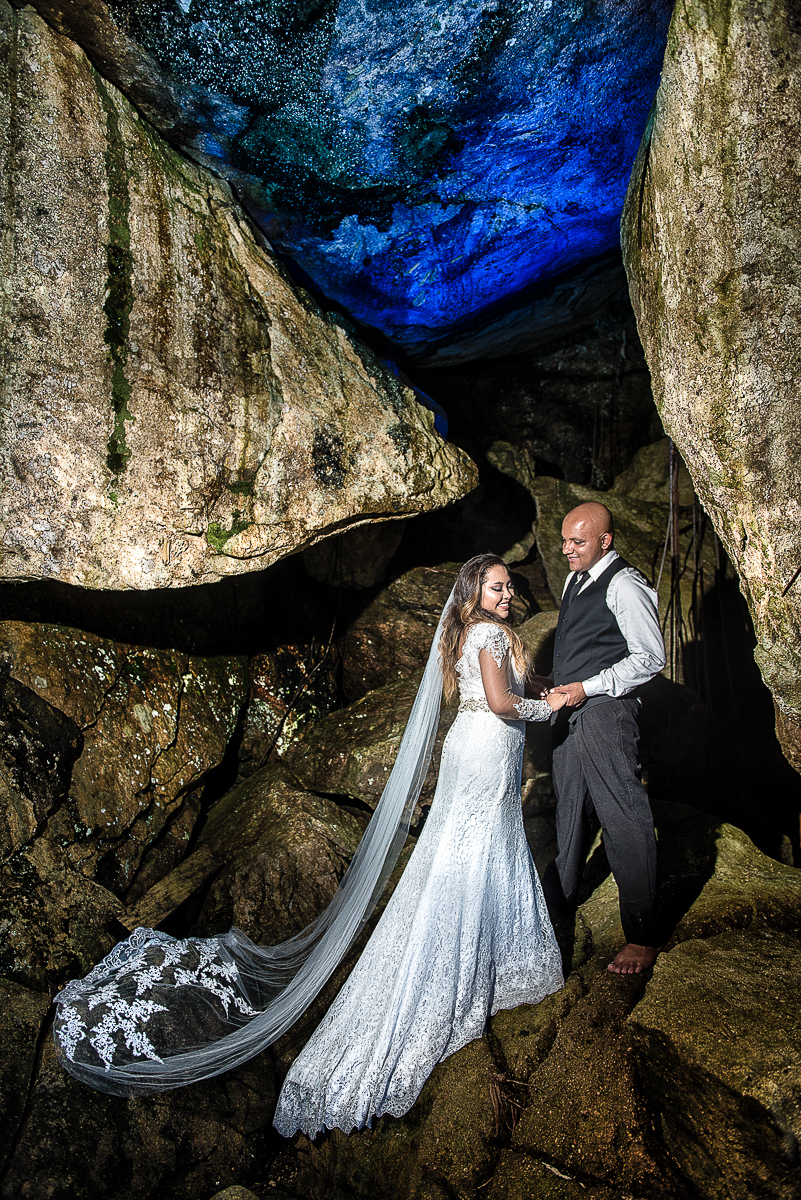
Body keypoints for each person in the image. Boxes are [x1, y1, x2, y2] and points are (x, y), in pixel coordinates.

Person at [53, 554, 566, 1133]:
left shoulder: (465, 633)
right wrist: (549, 705)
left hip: (471, 746)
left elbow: (494, 690)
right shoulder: (491, 633)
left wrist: (536, 685)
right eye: (496, 587)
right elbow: (501, 703)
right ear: (474, 592)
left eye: (508, 587)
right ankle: (478, 965)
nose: (506, 595)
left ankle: (475, 952)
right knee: (479, 849)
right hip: (489, 743)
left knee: (461, 851)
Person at [544, 502, 666, 975]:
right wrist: (555, 683)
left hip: (606, 713)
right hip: (571, 712)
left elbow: (649, 658)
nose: (566, 549)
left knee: (623, 815)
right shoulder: (576, 579)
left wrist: (588, 687)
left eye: (577, 541)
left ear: (605, 540)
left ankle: (642, 935)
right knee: (569, 809)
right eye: (564, 540)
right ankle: (558, 905)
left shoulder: (625, 584)